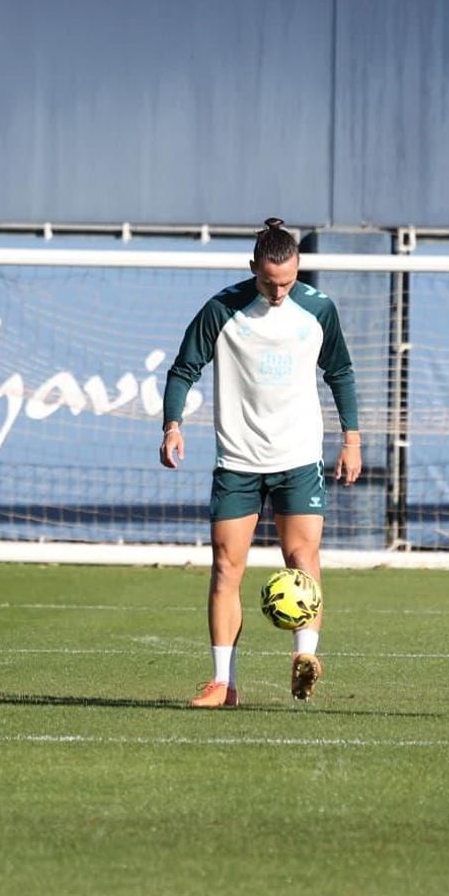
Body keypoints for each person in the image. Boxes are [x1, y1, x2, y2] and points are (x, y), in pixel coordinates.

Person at [160, 218, 362, 708]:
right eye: (270, 282)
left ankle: (304, 660)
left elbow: (341, 372)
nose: (278, 292)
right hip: (238, 460)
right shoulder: (222, 310)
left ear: (298, 270)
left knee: (303, 560)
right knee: (227, 567)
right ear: (253, 268)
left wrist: (351, 439)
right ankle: (223, 684)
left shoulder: (318, 309)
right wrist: (172, 424)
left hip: (298, 458)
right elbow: (184, 368)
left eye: (288, 282)